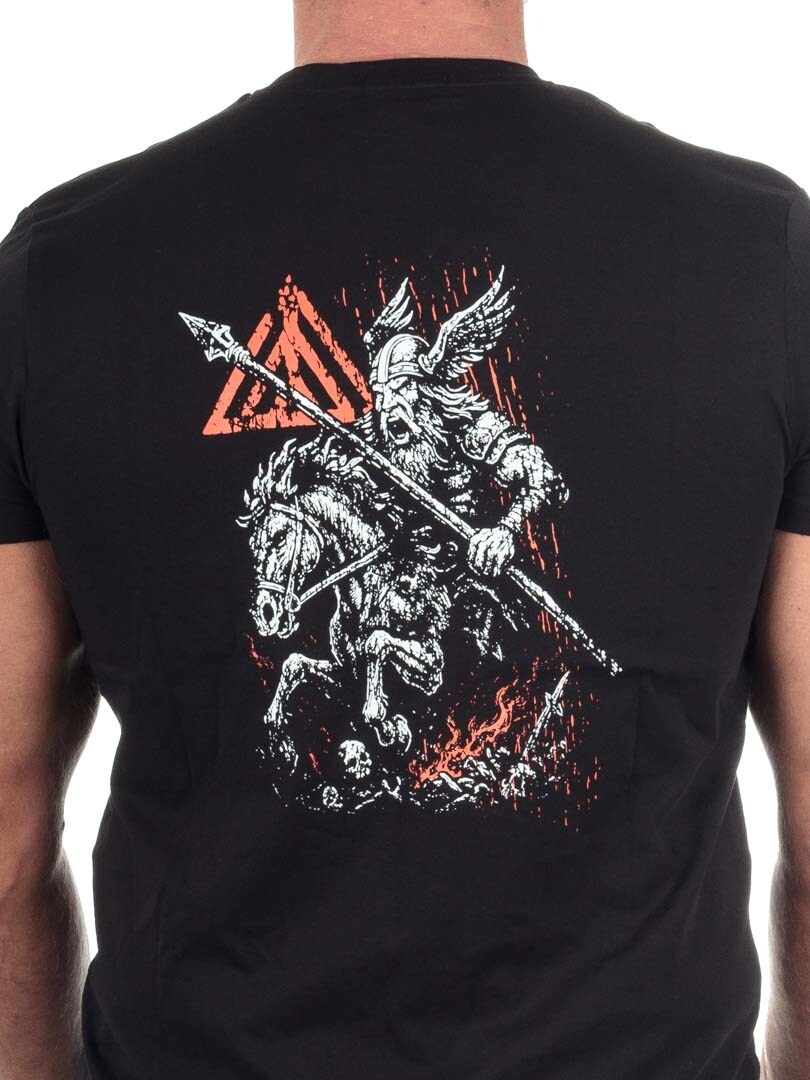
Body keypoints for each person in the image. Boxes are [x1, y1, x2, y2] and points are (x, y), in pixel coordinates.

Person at [1, 1, 808, 1077]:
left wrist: (498, 532)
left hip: (465, 573)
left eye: (397, 372)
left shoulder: (66, 263)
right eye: (378, 377)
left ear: (421, 362)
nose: (386, 389)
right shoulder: (760, 250)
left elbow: (4, 845)